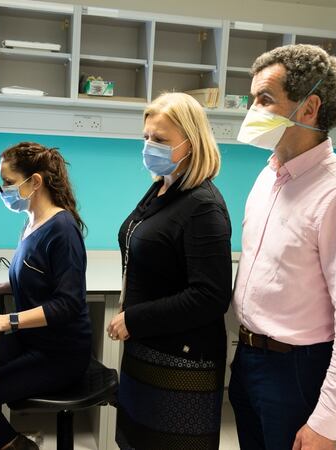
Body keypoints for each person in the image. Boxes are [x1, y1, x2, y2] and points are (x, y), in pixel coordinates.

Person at [230, 44, 336, 450]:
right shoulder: (270, 177)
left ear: (309, 107)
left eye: (265, 100)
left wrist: (328, 422)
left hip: (296, 369)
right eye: (252, 100)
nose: (252, 111)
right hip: (248, 357)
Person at [106, 92, 232, 449]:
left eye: (160, 140)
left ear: (191, 144)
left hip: (182, 361)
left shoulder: (202, 205)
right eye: (146, 138)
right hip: (147, 349)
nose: (149, 147)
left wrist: (135, 319)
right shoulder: (162, 188)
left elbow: (210, 297)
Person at [0, 142, 91, 450]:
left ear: (36, 182)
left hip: (60, 354)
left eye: (8, 183)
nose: (2, 191)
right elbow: (37, 278)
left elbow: (67, 304)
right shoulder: (32, 220)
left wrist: (5, 321)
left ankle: (17, 446)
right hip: (33, 339)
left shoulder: (63, 230)